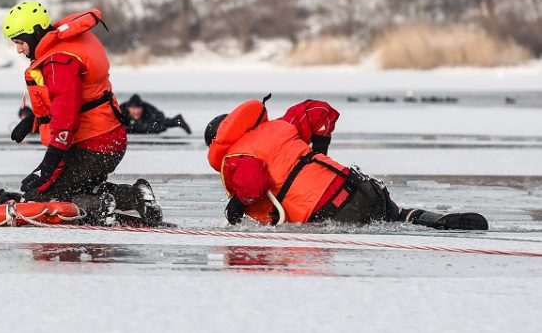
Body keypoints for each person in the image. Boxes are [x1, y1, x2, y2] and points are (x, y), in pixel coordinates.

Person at [204, 96, 488, 230]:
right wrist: (319, 151)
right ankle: (436, 221)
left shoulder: (236, 158)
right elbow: (319, 111)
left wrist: (237, 205)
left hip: (332, 211)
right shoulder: (281, 125)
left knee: (364, 223)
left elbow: (252, 184)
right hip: (358, 185)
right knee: (396, 215)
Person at [3, 1, 164, 226]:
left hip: (92, 145)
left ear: (36, 33)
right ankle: (137, 196)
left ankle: (97, 204)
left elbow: (66, 120)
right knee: (81, 184)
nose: (19, 49)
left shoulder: (58, 60)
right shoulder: (69, 41)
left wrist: (46, 171)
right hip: (110, 138)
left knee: (39, 195)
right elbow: (78, 98)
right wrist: (35, 119)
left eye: (20, 42)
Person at [119, 93, 191, 134]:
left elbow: (159, 121)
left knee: (158, 125)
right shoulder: (121, 110)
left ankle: (178, 121)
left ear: (142, 107)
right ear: (128, 108)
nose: (136, 111)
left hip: (152, 120)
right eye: (134, 108)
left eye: (138, 108)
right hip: (133, 123)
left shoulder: (148, 109)